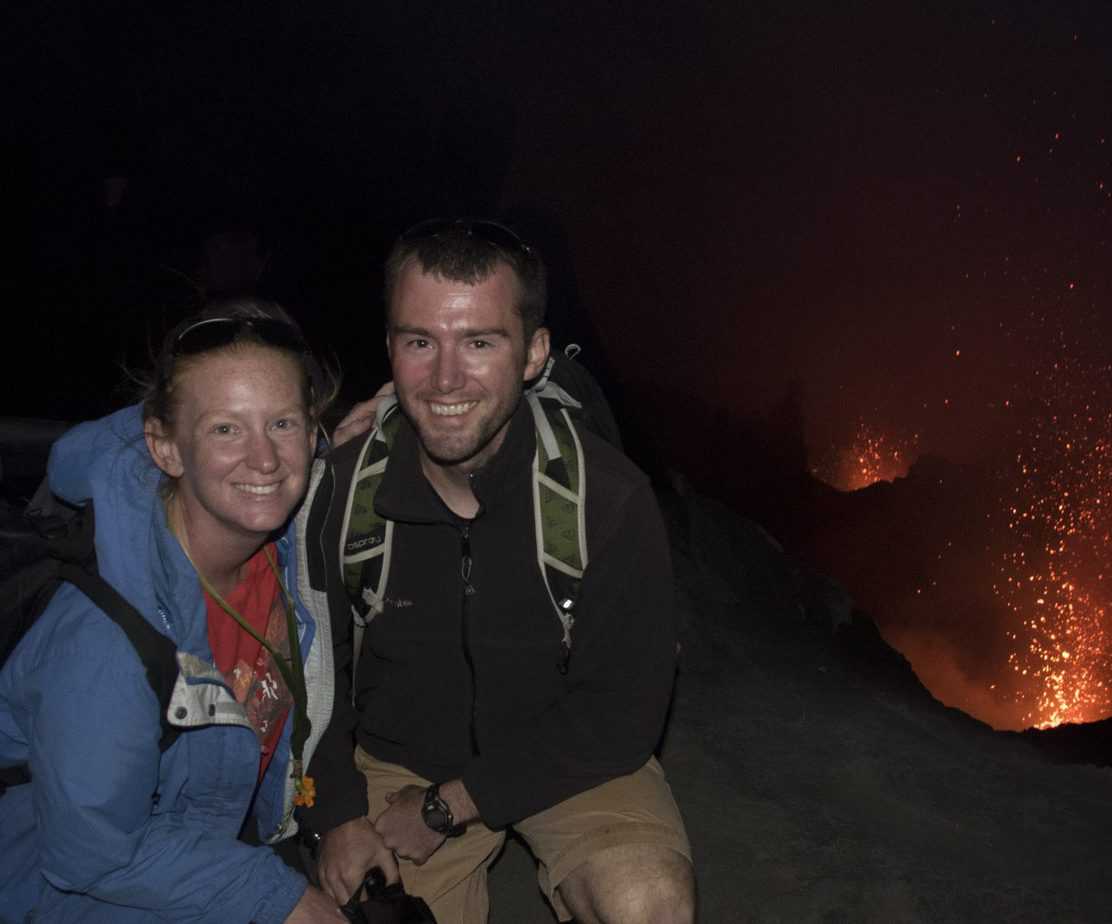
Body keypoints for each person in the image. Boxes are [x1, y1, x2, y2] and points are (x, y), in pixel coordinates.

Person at [304, 220, 695, 923]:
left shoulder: (604, 499)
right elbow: (308, 677)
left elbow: (623, 711)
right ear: (390, 350)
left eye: (480, 342)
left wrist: (452, 803)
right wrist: (335, 813)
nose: (446, 378)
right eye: (420, 342)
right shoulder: (339, 495)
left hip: (564, 756)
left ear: (534, 353)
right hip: (400, 763)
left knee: (646, 904)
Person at [0, 301, 346, 922]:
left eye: (283, 424)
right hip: (75, 891)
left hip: (209, 849)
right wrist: (282, 897)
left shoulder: (283, 551)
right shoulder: (103, 639)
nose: (264, 460)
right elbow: (92, 858)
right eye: (225, 429)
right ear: (165, 448)